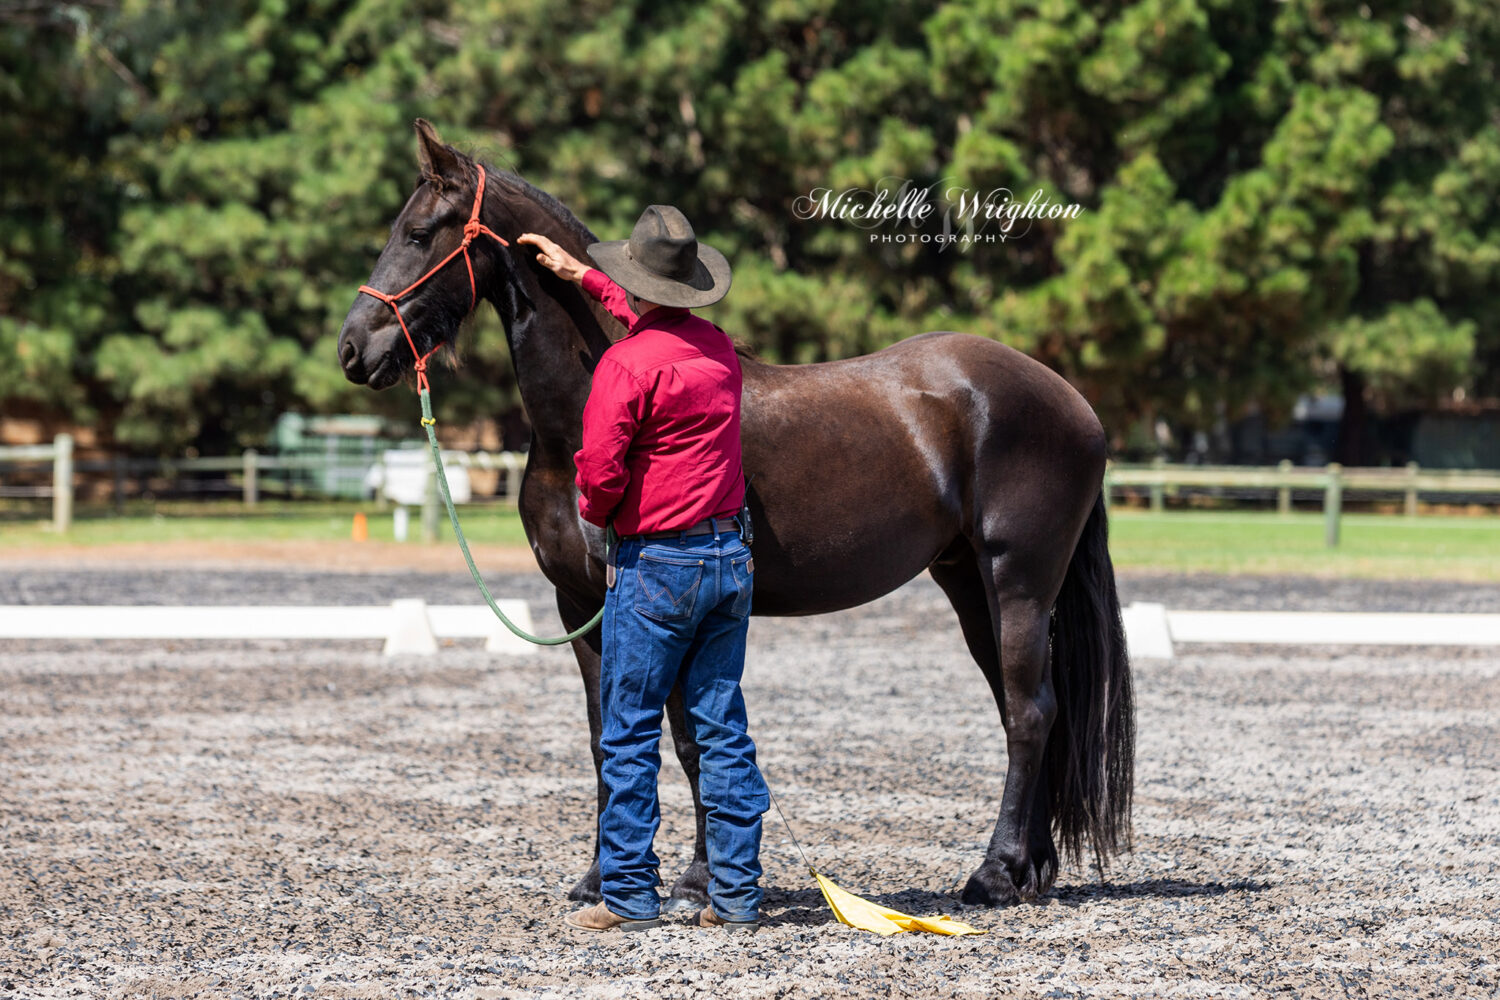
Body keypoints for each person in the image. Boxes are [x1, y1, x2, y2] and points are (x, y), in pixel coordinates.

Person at [517, 206, 768, 934]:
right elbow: (651, 320)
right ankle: (736, 897)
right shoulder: (718, 350)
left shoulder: (624, 365)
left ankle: (628, 895)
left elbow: (597, 471)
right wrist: (585, 277)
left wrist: (597, 526)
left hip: (657, 564)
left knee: (628, 731)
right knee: (721, 728)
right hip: (730, 559)